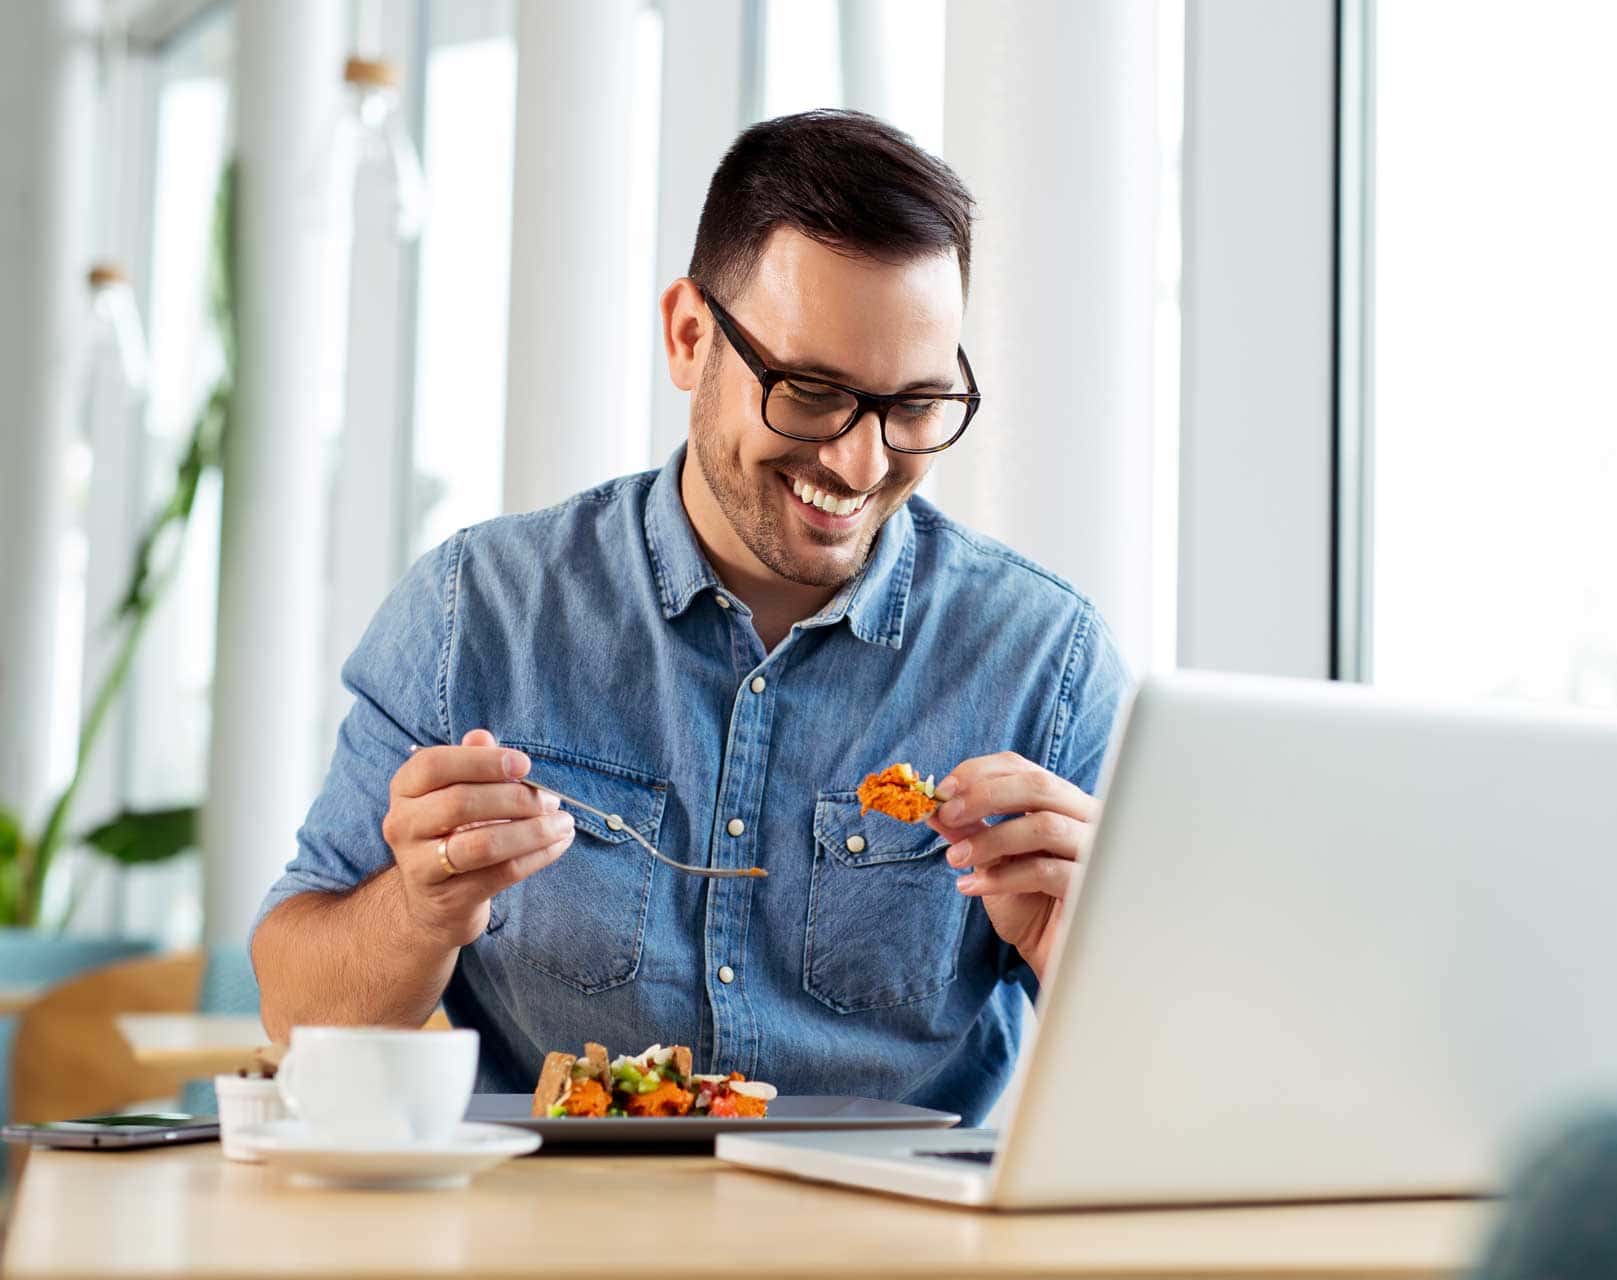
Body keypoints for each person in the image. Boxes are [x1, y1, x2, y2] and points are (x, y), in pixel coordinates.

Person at [251, 110, 1128, 1124]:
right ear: (688, 335)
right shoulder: (476, 615)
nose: (860, 461)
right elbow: (294, 1012)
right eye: (810, 392)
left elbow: (1177, 1093)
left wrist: (1080, 959)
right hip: (551, 1234)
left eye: (915, 405)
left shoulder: (1045, 665)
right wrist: (420, 903)